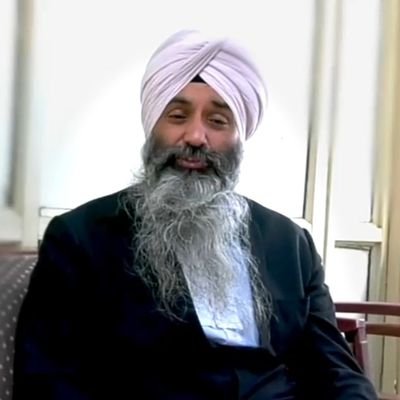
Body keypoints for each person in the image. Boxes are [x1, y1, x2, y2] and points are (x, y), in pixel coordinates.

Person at [12, 29, 377, 400]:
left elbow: (336, 371)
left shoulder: (291, 244)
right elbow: (46, 383)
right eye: (177, 116)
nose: (196, 137)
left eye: (217, 121)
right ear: (152, 127)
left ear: (240, 139)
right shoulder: (81, 238)